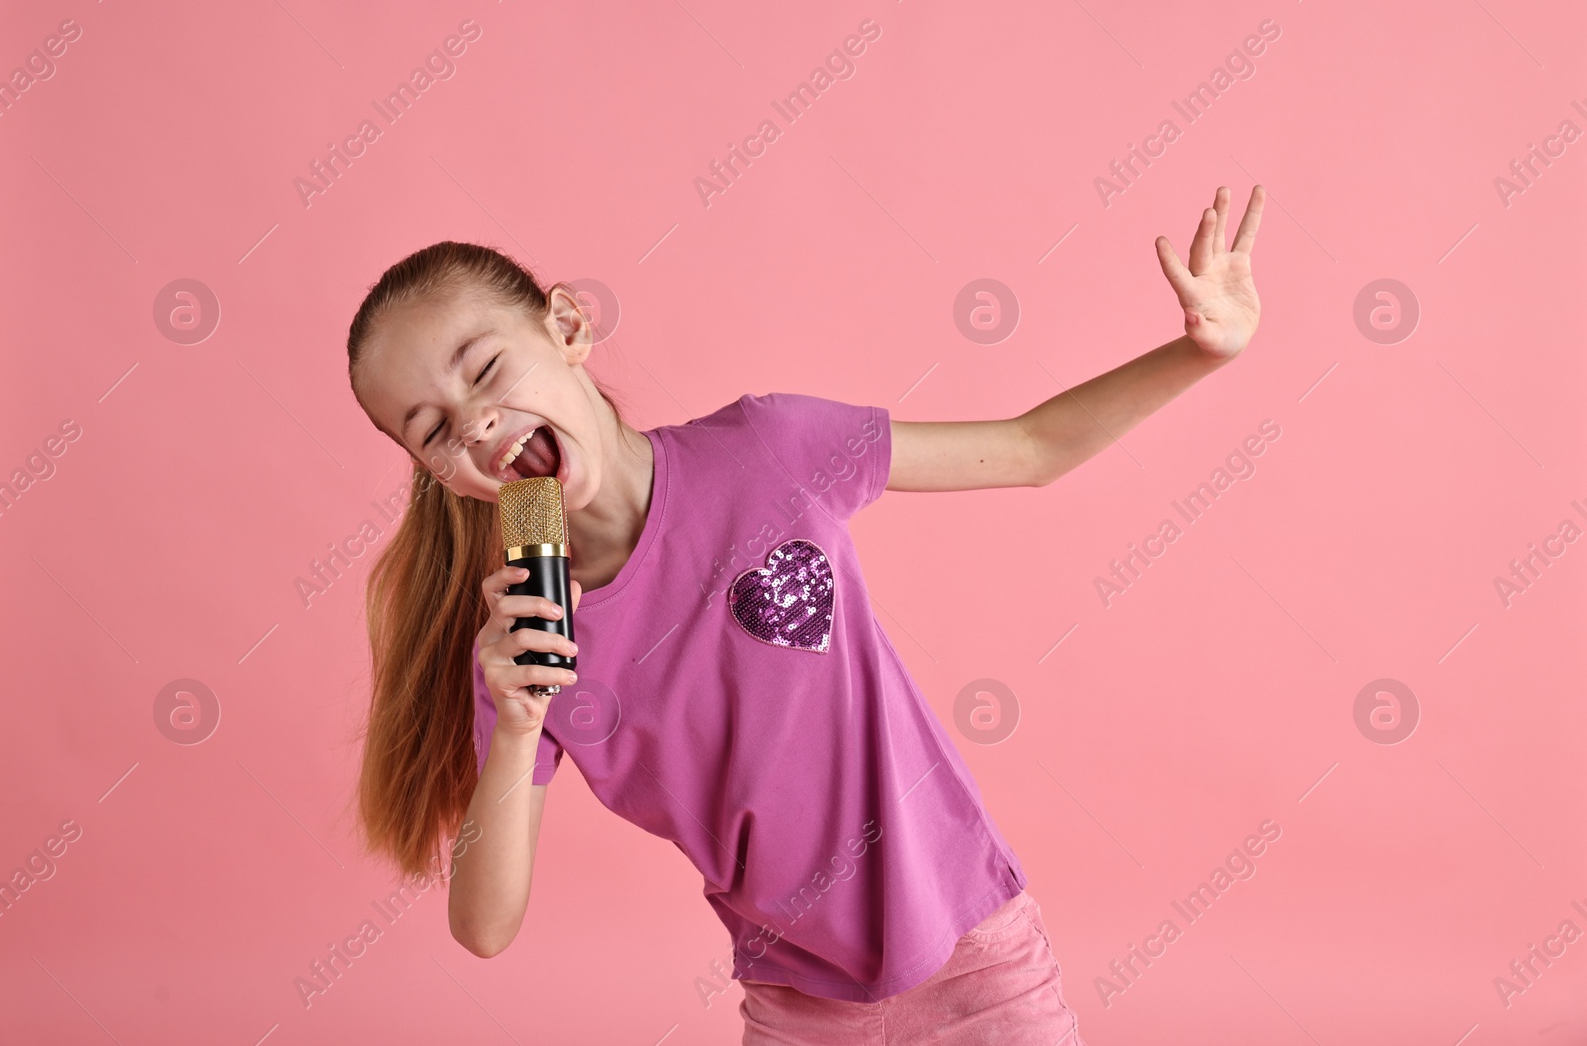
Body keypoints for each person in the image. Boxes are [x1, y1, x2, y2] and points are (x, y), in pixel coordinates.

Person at [346, 185, 1265, 1043]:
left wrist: (1199, 350)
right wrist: (516, 722)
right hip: (800, 1012)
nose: (472, 423)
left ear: (570, 325)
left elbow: (1032, 447)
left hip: (978, 964)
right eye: (431, 428)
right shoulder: (527, 650)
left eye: (486, 368)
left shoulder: (773, 450)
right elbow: (485, 925)